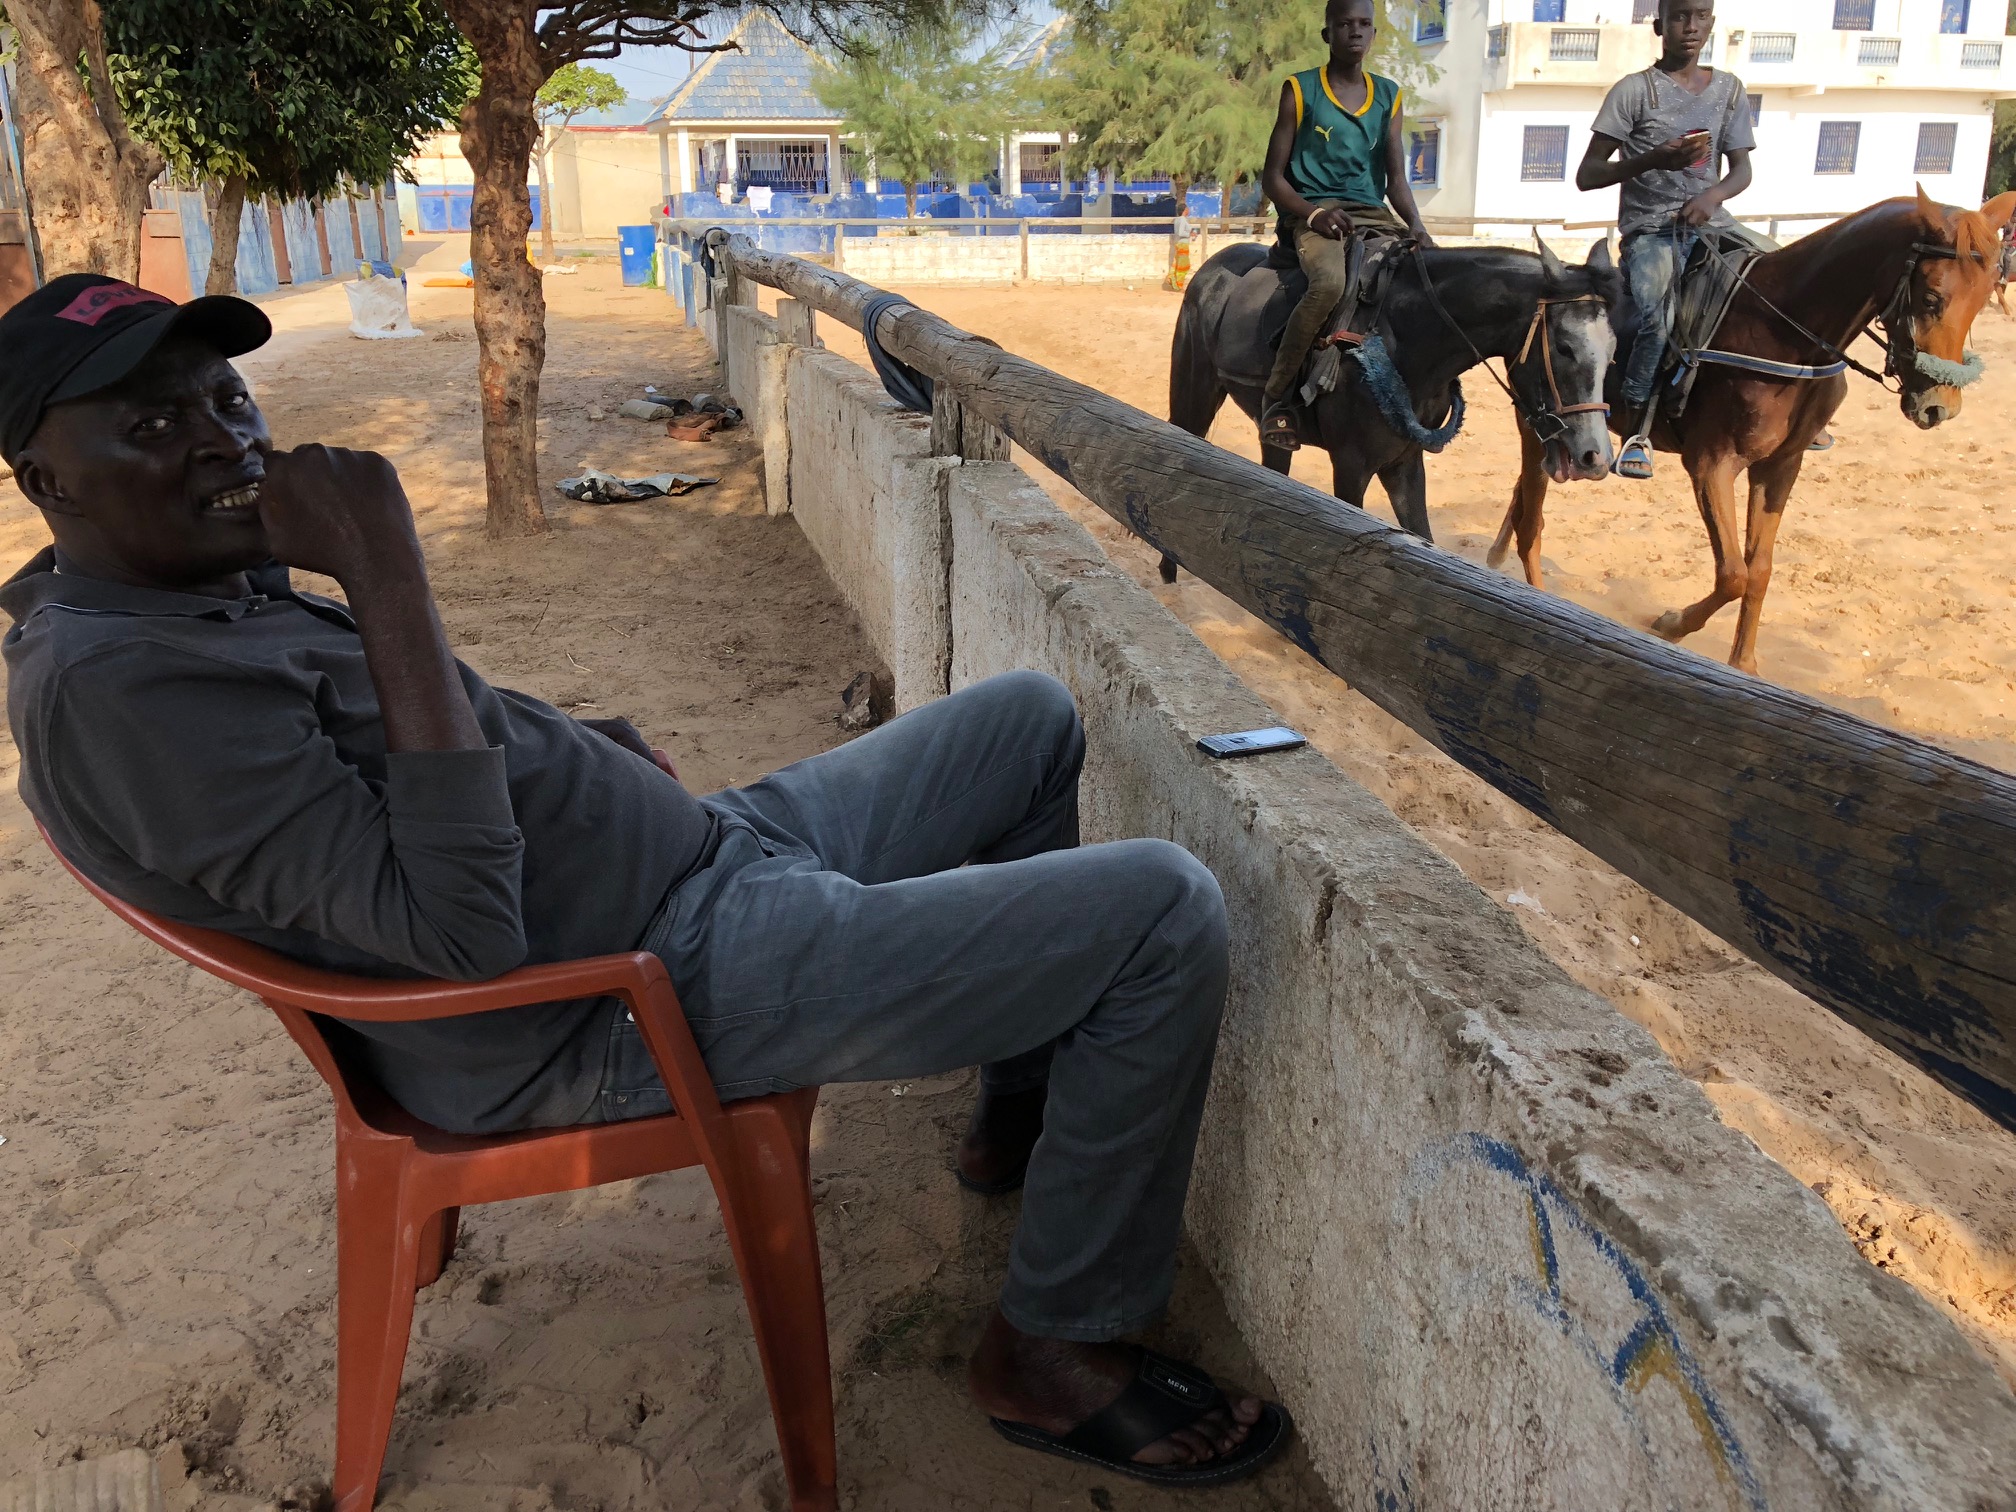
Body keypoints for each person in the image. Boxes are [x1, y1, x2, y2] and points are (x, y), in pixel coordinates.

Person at [0, 275, 1294, 1487]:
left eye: (228, 399)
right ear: (40, 474)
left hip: (695, 859)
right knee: (1160, 915)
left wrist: (570, 747)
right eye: (155, 423)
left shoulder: (177, 592)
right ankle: (1055, 1351)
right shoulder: (121, 699)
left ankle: (1018, 1107)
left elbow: (395, 750)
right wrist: (388, 569)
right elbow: (455, 930)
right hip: (626, 994)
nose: (224, 440)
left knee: (1025, 718)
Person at [1576, 0, 1753, 480]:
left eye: (1699, 16)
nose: (1689, 27)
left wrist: (1713, 197)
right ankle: (1637, 424)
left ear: (1712, 24)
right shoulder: (1634, 92)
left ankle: (1802, 403)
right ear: (1659, 25)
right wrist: (1653, 159)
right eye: (1678, 16)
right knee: (1659, 316)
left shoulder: (1729, 90)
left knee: (1780, 277)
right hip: (1651, 230)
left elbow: (1742, 172)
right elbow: (1587, 175)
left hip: (1712, 224)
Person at [1257, 0, 1433, 449]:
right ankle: (1278, 399)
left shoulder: (1389, 94)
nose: (1355, 32)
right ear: (1327, 34)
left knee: (1425, 280)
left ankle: (1420, 395)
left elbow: (1396, 178)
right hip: (1315, 215)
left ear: (1373, 34)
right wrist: (1313, 214)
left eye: (1364, 25)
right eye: (1344, 24)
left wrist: (1415, 224)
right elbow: (1272, 177)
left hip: (1372, 215)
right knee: (1330, 283)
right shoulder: (1300, 90)